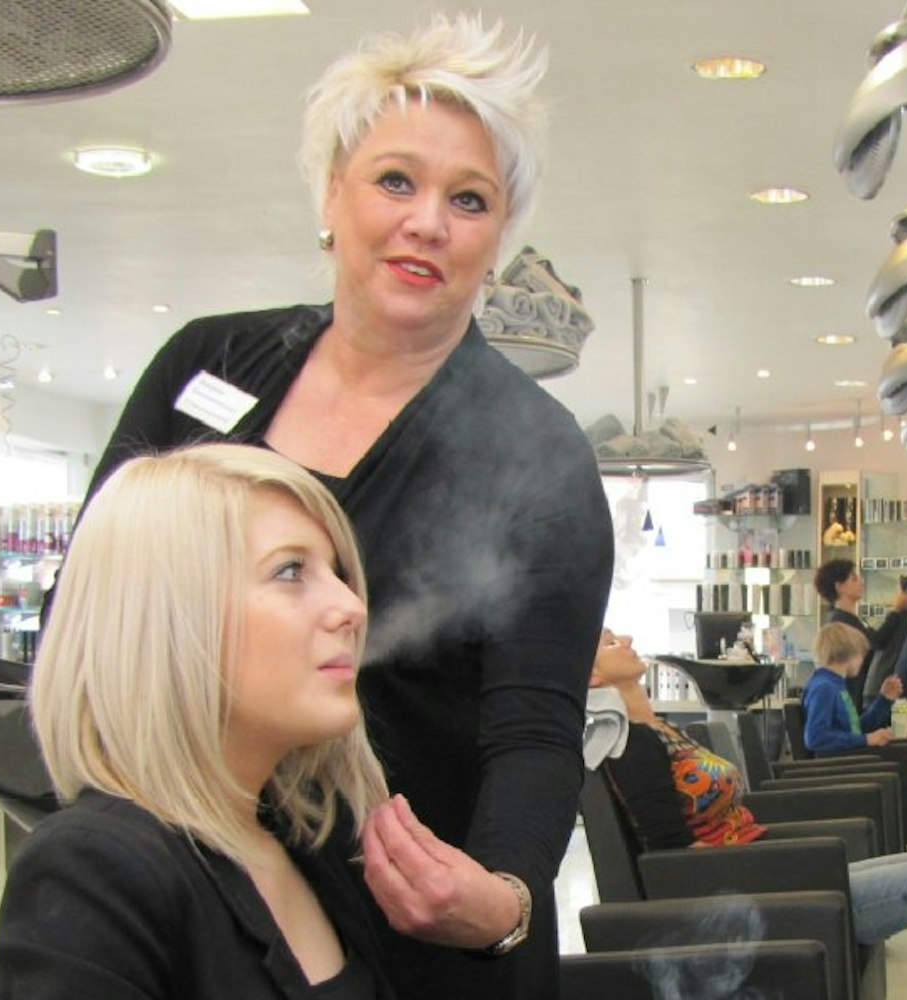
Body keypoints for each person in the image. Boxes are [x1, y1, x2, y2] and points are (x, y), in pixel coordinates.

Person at [69, 17, 614, 995]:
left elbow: (535, 731)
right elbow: (97, 616)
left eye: (470, 199)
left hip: (424, 933)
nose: (428, 222)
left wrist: (501, 899)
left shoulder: (535, 454)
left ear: (498, 240)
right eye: (395, 181)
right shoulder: (207, 367)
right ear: (331, 191)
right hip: (197, 895)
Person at [0, 445, 402, 998]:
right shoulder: (92, 872)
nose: (352, 607)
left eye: (335, 572)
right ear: (170, 614)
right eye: (290, 571)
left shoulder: (308, 839)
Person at [593, 631, 907, 1000]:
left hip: (768, 867)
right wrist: (779, 869)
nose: (628, 639)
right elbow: (672, 855)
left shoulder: (661, 729)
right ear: (593, 677)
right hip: (756, 893)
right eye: (610, 643)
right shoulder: (634, 744)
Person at [804, 623, 907, 853]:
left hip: (852, 765)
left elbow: (855, 728)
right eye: (861, 655)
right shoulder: (825, 688)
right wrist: (866, 740)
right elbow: (815, 737)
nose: (863, 661)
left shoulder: (832, 686)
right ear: (848, 654)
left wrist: (884, 700)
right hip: (846, 771)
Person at [815, 557, 907, 711]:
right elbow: (876, 641)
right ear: (840, 587)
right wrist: (897, 610)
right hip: (854, 698)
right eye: (853, 579)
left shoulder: (850, 618)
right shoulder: (842, 622)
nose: (861, 582)